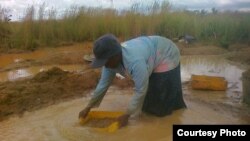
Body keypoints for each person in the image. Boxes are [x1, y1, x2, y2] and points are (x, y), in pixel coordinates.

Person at [79, 33, 186, 127]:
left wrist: (127, 115)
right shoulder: (110, 64)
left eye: (105, 61)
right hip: (150, 54)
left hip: (166, 53)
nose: (104, 65)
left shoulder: (135, 62)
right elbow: (103, 85)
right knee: (148, 103)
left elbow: (141, 90)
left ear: (116, 56)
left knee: (160, 100)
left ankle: (169, 120)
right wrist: (88, 107)